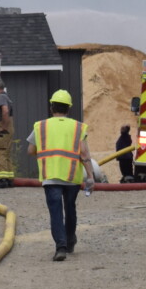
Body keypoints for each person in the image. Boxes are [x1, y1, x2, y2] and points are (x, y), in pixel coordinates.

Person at [26, 89, 99, 261]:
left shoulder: (40, 126)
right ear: (69, 109)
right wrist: (90, 177)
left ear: (52, 107)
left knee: (56, 211)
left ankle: (61, 247)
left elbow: (30, 150)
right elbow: (84, 154)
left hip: (50, 175)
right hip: (72, 176)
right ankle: (70, 239)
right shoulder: (78, 127)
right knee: (70, 208)